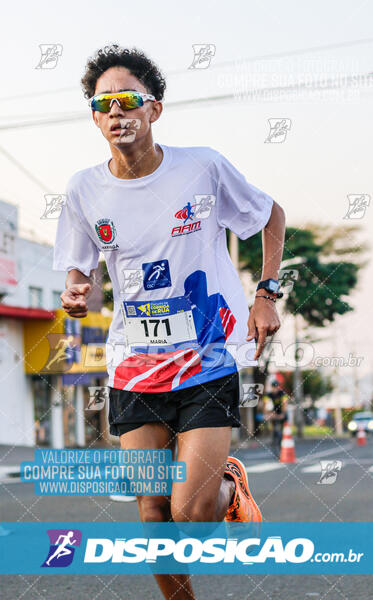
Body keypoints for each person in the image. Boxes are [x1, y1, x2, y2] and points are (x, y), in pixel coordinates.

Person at [53, 44, 286, 600]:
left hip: (206, 359)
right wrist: (75, 291)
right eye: (103, 103)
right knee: (154, 508)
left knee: (194, 515)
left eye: (128, 100)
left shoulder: (201, 167)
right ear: (94, 116)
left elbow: (270, 215)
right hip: (134, 366)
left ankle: (228, 488)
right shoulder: (84, 190)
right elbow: (79, 272)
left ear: (153, 110)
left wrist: (266, 293)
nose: (116, 112)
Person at [267, 380, 288, 453]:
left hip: (281, 412)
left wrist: (282, 414)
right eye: (273, 387)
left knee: (282, 430)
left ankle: (282, 442)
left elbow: (285, 404)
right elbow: (265, 405)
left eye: (276, 387)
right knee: (273, 428)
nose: (275, 389)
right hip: (273, 412)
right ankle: (273, 439)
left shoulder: (282, 394)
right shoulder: (269, 394)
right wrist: (268, 414)